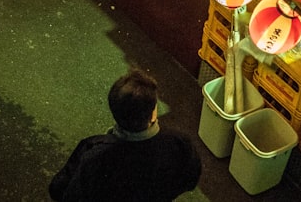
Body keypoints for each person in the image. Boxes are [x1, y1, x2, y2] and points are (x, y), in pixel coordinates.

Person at [49, 69, 202, 201]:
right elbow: (190, 179)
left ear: (114, 111)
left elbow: (60, 189)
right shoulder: (178, 143)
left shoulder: (93, 152)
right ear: (153, 115)